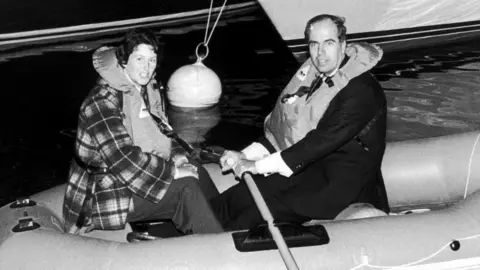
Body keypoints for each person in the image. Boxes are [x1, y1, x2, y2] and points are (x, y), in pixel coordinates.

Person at [211, 14, 390, 230]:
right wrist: (245, 155)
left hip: (342, 189)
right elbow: (287, 128)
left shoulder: (361, 92)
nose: (320, 53)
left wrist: (257, 167)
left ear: (343, 45)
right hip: (310, 171)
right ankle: (184, 234)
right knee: (239, 197)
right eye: (314, 44)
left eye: (329, 43)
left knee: (256, 213)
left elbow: (318, 142)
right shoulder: (314, 77)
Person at [63, 28, 223, 235]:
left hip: (131, 175)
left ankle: (223, 224)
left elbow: (163, 132)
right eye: (139, 59)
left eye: (152, 60)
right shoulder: (101, 103)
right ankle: (215, 246)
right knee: (187, 187)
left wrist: (178, 158)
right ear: (123, 61)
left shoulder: (145, 90)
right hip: (104, 190)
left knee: (195, 169)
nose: (146, 68)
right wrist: (172, 172)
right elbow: (123, 159)